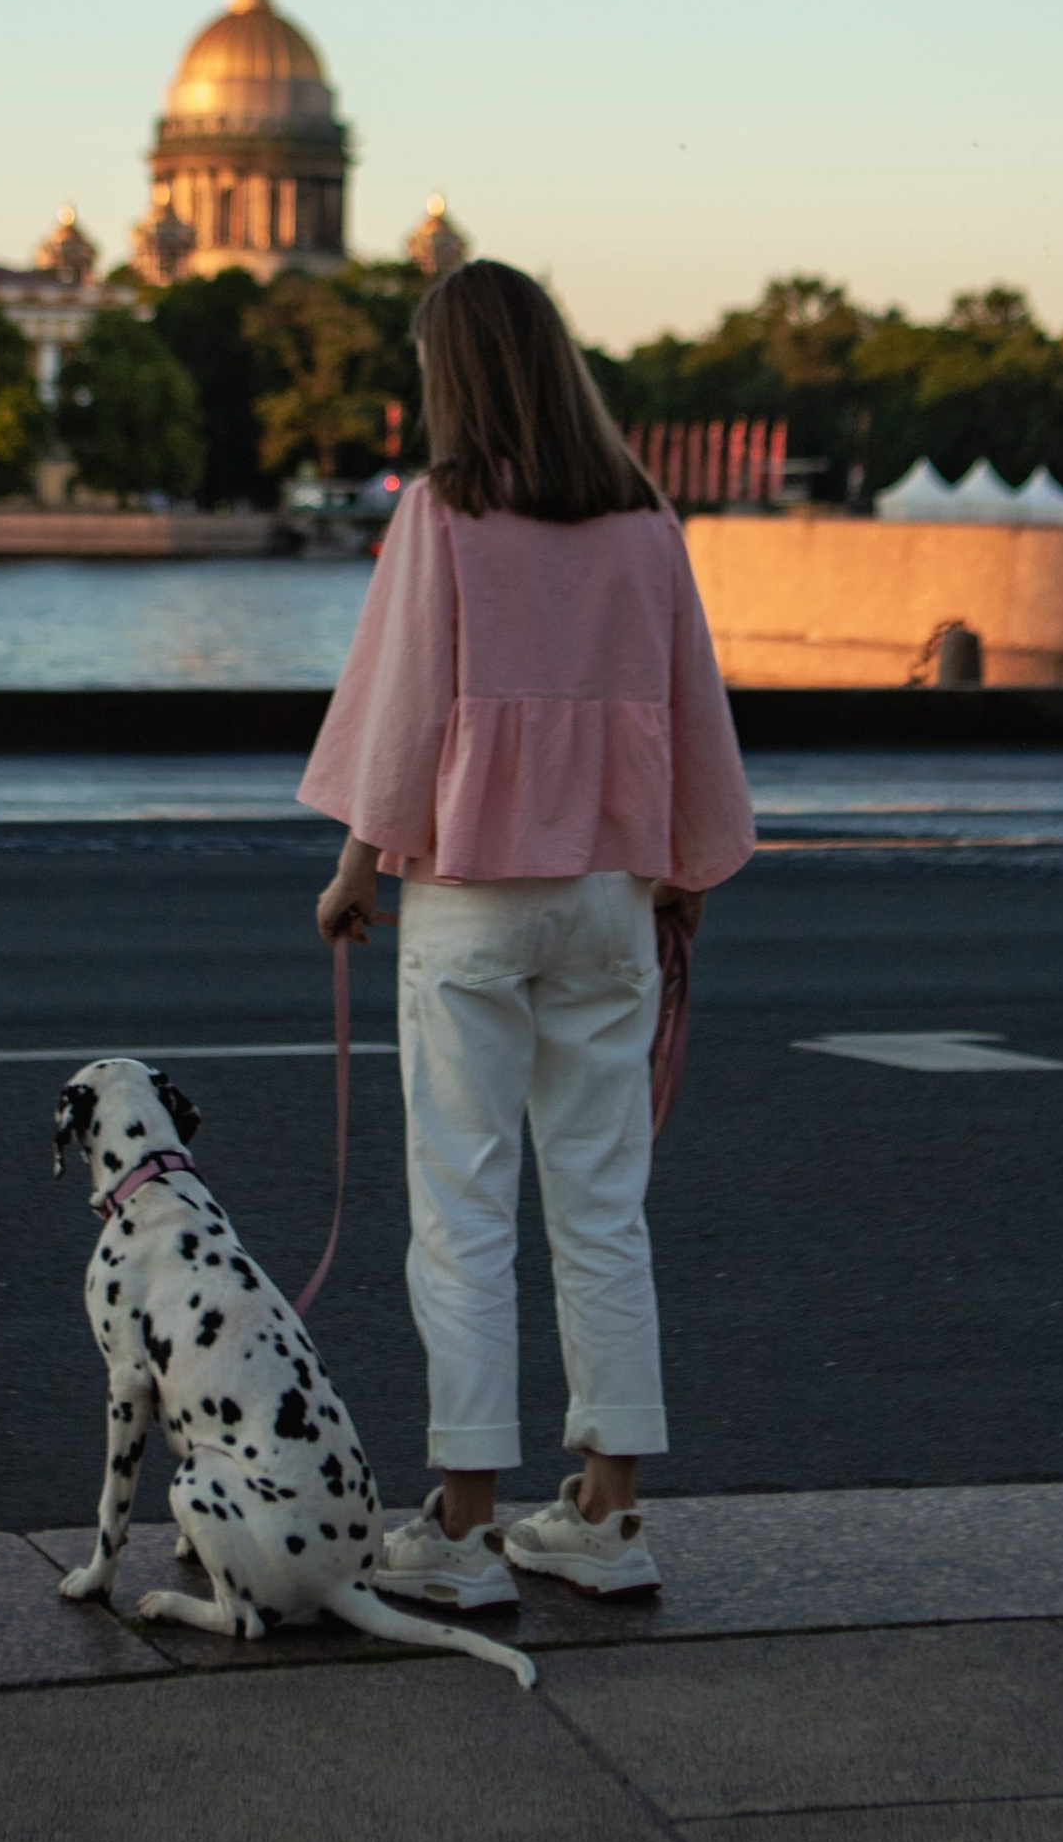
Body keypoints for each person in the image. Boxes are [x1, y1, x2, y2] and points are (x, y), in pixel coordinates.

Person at [299, 257, 754, 1605]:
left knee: (463, 1210)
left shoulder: (444, 513)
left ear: (455, 377)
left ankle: (466, 1522)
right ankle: (611, 1519)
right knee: (605, 1207)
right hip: (612, 894)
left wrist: (355, 866)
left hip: (473, 899)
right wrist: (683, 871)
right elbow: (694, 713)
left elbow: (404, 711)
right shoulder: (644, 516)